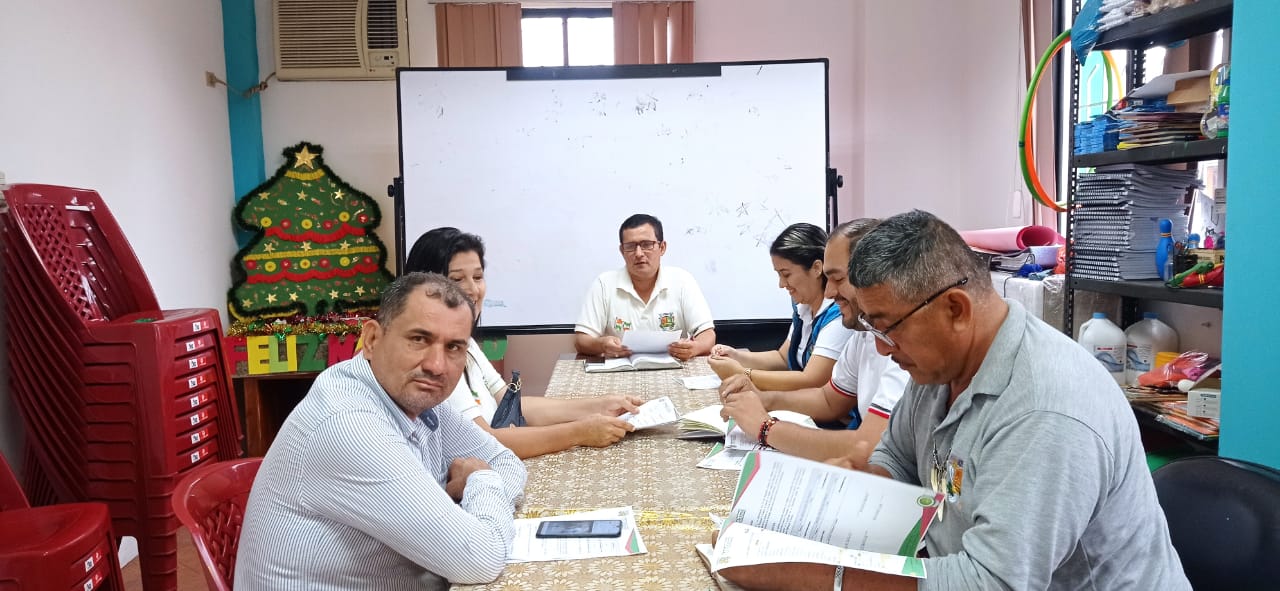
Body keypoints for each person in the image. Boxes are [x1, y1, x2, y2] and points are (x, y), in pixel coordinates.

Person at [721, 210, 1190, 590]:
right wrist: (848, 495)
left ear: (955, 310)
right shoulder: (938, 366)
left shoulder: (1045, 409)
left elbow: (991, 583)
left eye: (887, 328)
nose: (882, 349)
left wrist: (811, 575)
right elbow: (895, 459)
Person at [235, 273, 527, 590]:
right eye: (419, 339)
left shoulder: (416, 397)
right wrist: (480, 480)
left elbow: (506, 462)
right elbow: (479, 560)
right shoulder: (347, 424)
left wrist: (473, 491)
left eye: (454, 347)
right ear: (372, 339)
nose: (436, 365)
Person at [405, 227, 641, 458]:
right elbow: (483, 442)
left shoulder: (467, 345)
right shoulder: (434, 362)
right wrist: (579, 432)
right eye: (457, 279)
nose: (473, 290)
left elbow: (512, 405)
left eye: (478, 277)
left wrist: (600, 405)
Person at [717, 219, 906, 464]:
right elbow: (829, 399)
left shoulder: (905, 344)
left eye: (838, 279)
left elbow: (867, 446)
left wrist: (765, 427)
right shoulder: (863, 330)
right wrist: (765, 400)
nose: (829, 292)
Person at [709, 223, 856, 391]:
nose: (781, 284)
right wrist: (736, 356)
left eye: (786, 274)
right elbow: (782, 358)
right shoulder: (803, 307)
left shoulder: (839, 316)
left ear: (817, 268)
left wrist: (742, 373)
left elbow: (812, 380)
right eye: (779, 275)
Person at [574, 213, 716, 361]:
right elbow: (581, 340)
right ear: (622, 251)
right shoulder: (604, 284)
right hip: (620, 370)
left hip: (674, 369)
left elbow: (707, 335)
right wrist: (601, 345)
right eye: (630, 247)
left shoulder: (682, 281)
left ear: (662, 247)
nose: (639, 253)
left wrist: (695, 347)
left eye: (647, 245)